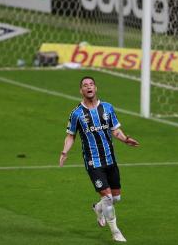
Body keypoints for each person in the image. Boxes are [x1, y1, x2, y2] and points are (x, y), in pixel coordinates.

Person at [59, 76, 139, 242]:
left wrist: (125, 139)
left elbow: (115, 130)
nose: (88, 87)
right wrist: (65, 152)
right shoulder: (77, 114)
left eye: (91, 84)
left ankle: (98, 208)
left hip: (110, 159)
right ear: (81, 91)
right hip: (93, 162)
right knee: (108, 198)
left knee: (116, 198)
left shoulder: (108, 108)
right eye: (85, 85)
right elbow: (70, 135)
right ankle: (115, 231)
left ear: (96, 88)